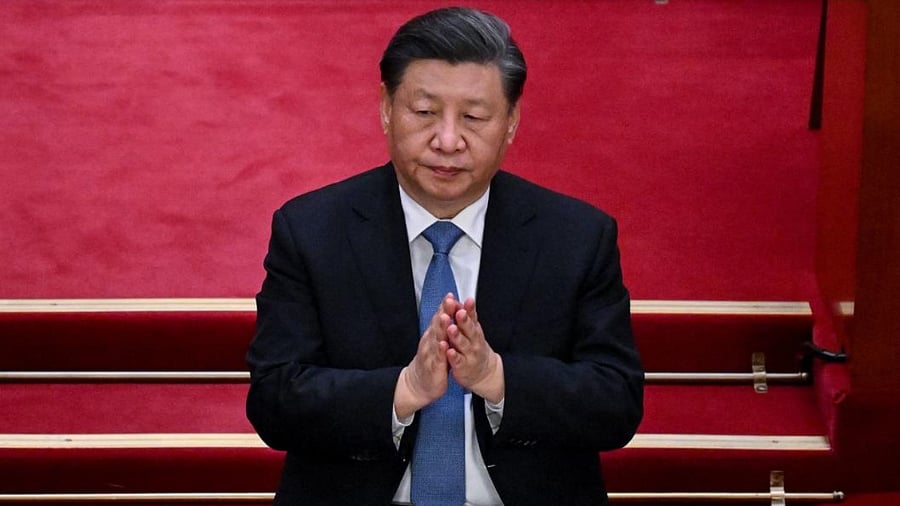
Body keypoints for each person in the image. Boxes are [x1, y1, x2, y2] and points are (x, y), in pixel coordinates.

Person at [246, 6, 643, 505]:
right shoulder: (312, 230)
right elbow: (274, 399)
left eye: (474, 117)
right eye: (425, 112)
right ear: (386, 107)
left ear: (511, 122)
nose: (448, 140)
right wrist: (404, 389)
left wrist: (496, 378)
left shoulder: (576, 237)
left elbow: (617, 402)